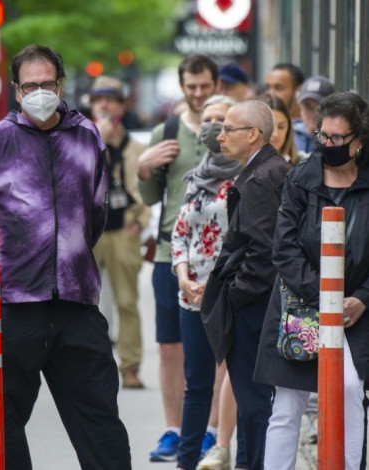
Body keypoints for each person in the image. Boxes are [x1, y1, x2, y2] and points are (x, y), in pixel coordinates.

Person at [0, 44, 131, 469]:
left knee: (100, 420)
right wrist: (9, 267)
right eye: (29, 85)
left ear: (61, 84)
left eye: (46, 83)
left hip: (76, 304)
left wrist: (65, 257)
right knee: (5, 418)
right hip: (16, 307)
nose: (39, 92)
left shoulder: (87, 136)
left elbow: (96, 213)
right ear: (16, 90)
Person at [253, 92, 369, 470]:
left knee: (350, 390)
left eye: (337, 139)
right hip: (303, 304)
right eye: (323, 137)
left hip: (358, 311)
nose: (328, 145)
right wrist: (325, 297)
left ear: (360, 140)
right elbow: (284, 249)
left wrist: (362, 299)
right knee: (287, 405)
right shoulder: (300, 179)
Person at [201, 100, 292, 470]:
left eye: (228, 129)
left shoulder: (261, 177)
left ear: (253, 134)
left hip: (255, 305)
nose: (219, 136)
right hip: (261, 301)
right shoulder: (271, 170)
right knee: (259, 399)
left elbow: (262, 251)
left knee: (253, 401)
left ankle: (252, 464)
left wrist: (236, 295)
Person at [137, 53, 219, 462]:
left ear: (215, 84)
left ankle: (211, 430)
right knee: (170, 347)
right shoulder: (165, 132)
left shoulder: (227, 128)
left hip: (217, 257)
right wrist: (143, 168)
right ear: (182, 85)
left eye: (205, 85)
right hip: (170, 251)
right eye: (191, 85)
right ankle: (173, 429)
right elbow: (150, 198)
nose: (198, 93)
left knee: (217, 347)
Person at [170, 95, 242, 470]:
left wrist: (214, 282)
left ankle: (237, 456)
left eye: (223, 119)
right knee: (196, 385)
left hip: (231, 294)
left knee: (241, 382)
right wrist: (182, 277)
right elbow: (180, 234)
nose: (215, 127)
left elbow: (246, 241)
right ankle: (186, 462)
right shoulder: (197, 176)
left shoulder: (247, 175)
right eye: (209, 119)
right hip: (192, 295)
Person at [89, 75, 151, 389]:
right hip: (90, 234)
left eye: (111, 99)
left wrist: (139, 221)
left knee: (127, 302)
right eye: (98, 98)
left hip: (122, 232)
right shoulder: (82, 143)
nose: (104, 104)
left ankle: (130, 367)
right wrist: (96, 142)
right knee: (84, 304)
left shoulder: (137, 148)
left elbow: (149, 190)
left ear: (122, 105)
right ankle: (86, 368)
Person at [292, 76, 335, 155]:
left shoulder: (338, 138)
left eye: (320, 108)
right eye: (307, 107)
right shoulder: (288, 133)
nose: (313, 114)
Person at [259, 94, 298, 164]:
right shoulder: (237, 166)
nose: (275, 134)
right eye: (269, 127)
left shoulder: (303, 165)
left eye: (281, 127)